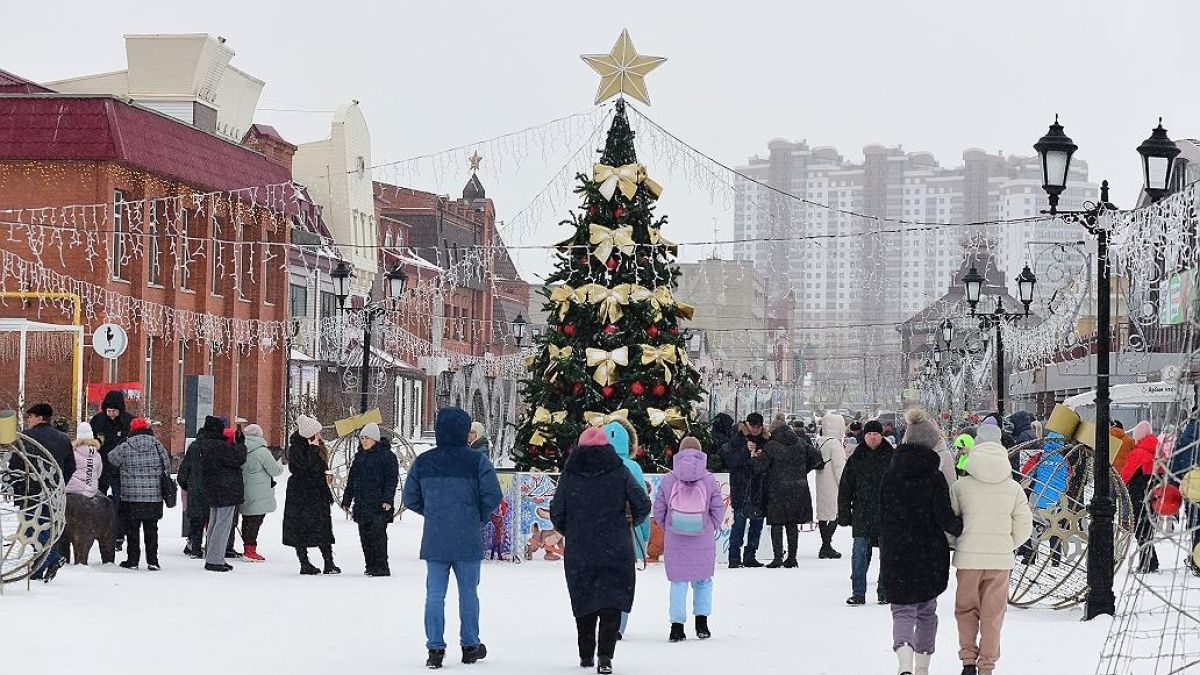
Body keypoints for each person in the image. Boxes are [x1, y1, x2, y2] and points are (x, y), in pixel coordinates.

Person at [402, 408, 502, 670]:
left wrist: (433, 511)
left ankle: (435, 648)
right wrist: (476, 515)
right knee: (469, 593)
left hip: (436, 537)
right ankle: (470, 645)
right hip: (467, 537)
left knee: (435, 594)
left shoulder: (424, 462)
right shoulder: (477, 461)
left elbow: (409, 498)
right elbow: (492, 495)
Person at [550, 426, 651, 674]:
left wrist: (571, 530)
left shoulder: (570, 474)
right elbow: (642, 503)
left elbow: (557, 512)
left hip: (581, 548)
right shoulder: (620, 472)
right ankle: (605, 656)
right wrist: (628, 523)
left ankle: (586, 656)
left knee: (584, 600)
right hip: (615, 545)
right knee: (611, 601)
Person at [879, 408, 964, 675]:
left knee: (901, 609)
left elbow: (880, 511)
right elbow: (944, 516)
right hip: (928, 552)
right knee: (927, 609)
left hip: (896, 550)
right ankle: (922, 667)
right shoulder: (934, 476)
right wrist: (960, 528)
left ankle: (903, 662)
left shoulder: (890, 474)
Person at [950, 418, 1034, 675]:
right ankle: (986, 665)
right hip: (1000, 561)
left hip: (968, 559)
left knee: (966, 610)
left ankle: (967, 660)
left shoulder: (960, 486)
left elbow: (950, 523)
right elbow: (1024, 526)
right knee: (993, 615)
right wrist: (1008, 545)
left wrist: (958, 544)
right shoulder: (1013, 488)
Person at [653, 436, 725, 643]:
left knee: (678, 582)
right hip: (702, 537)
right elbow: (718, 508)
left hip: (676, 538)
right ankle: (701, 623)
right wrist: (710, 525)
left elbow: (658, 508)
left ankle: (677, 627)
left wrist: (669, 525)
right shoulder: (709, 479)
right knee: (703, 580)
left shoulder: (669, 479)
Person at [838, 419, 895, 605]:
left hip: (886, 513)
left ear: (881, 436)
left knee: (887, 554)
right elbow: (846, 487)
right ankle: (858, 592)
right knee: (859, 553)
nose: (872, 437)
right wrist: (844, 513)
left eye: (876, 434)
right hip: (862, 511)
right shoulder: (857, 457)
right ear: (865, 435)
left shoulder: (892, 457)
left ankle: (884, 591)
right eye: (869, 434)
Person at [754, 415, 821, 568]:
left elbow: (760, 467)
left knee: (777, 523)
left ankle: (777, 558)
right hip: (798, 488)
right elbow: (817, 458)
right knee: (792, 523)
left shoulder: (771, 446)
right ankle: (792, 558)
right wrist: (802, 471)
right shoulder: (800, 442)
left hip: (777, 488)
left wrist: (754, 458)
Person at [604, 418, 650, 639]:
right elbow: (642, 503)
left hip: (600, 533)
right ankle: (619, 625)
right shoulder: (633, 468)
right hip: (626, 532)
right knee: (623, 581)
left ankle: (604, 619)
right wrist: (645, 536)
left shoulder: (597, 465)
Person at [107, 417, 170, 571]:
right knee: (151, 529)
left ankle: (133, 560)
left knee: (132, 529)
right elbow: (167, 465)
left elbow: (111, 458)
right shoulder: (157, 445)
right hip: (153, 496)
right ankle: (153, 561)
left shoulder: (126, 445)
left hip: (131, 496)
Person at [283, 414, 340, 576]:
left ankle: (329, 562)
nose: (320, 436)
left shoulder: (318, 446)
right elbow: (300, 468)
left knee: (323, 528)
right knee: (300, 529)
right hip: (301, 495)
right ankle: (304, 563)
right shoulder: (296, 447)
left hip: (318, 493)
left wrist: (325, 474)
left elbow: (318, 466)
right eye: (317, 433)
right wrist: (313, 449)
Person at [23, 403, 74, 581]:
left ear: (39, 418)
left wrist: (16, 488)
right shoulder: (63, 439)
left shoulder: (26, 437)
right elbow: (70, 466)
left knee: (33, 529)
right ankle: (38, 569)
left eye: (30, 416)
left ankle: (53, 558)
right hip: (53, 492)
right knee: (46, 527)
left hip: (31, 492)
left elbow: (17, 463)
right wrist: (58, 485)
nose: (27, 420)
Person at [341, 422, 400, 577]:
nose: (364, 441)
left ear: (375, 439)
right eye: (362, 438)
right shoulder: (359, 457)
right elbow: (352, 480)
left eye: (367, 438)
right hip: (361, 503)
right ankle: (370, 565)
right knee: (365, 536)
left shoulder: (387, 457)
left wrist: (388, 499)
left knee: (378, 535)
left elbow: (391, 480)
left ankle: (382, 566)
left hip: (379, 504)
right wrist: (347, 500)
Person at [718, 412, 768, 568]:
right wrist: (746, 452)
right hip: (741, 487)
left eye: (758, 427)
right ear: (747, 425)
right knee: (739, 524)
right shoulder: (737, 438)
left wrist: (761, 456)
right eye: (753, 426)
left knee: (756, 525)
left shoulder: (766, 440)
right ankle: (734, 557)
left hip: (759, 488)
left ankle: (750, 555)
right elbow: (732, 461)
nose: (755, 430)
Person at [200, 417, 247, 572]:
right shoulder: (218, 446)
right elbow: (238, 459)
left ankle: (212, 555)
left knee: (214, 522)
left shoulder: (205, 444)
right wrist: (240, 444)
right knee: (223, 524)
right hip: (226, 489)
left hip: (213, 488)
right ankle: (215, 559)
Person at [90, 390, 133, 548]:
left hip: (121, 471)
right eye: (109, 411)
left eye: (115, 411)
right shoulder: (98, 421)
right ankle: (98, 531)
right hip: (100, 469)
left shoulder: (128, 422)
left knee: (119, 503)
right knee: (97, 502)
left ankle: (117, 535)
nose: (112, 414)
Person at [239, 423, 284, 562]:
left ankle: (247, 547)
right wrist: (280, 463)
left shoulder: (240, 449)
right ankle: (250, 550)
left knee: (247, 520)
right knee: (255, 521)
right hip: (259, 492)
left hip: (244, 489)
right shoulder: (262, 452)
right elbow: (275, 470)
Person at [1121, 421, 1160, 573]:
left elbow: (1125, 475)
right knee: (1148, 529)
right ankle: (1152, 561)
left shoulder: (1138, 453)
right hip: (1154, 497)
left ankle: (1146, 563)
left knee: (1140, 530)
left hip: (1139, 495)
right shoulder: (1158, 450)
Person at [178, 418, 217, 558]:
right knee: (212, 521)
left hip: (195, 489)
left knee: (196, 521)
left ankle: (195, 549)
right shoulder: (216, 446)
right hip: (212, 488)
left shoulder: (194, 446)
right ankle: (212, 548)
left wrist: (186, 485)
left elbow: (184, 469)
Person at [815, 412, 848, 559]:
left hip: (821, 481)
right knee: (835, 514)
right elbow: (839, 468)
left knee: (823, 515)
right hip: (833, 485)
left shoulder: (820, 442)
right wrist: (845, 486)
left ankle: (825, 544)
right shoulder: (835, 444)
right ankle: (826, 545)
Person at [67, 422, 102, 497]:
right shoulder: (97, 455)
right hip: (91, 491)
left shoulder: (73, 454)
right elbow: (98, 474)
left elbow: (67, 471)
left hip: (73, 491)